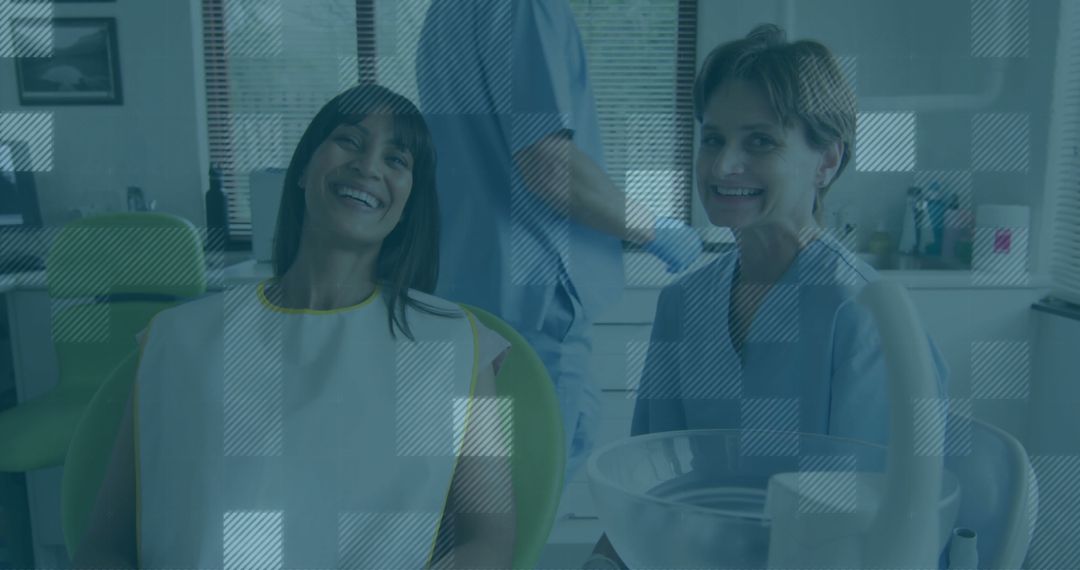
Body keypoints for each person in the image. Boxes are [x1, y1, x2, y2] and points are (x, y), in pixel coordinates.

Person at [73, 84, 515, 569]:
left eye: (397, 160)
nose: (367, 167)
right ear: (304, 168)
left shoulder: (456, 343)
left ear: (409, 205)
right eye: (349, 140)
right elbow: (104, 545)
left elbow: (490, 540)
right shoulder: (177, 338)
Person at [583, 24, 949, 568]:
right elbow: (647, 486)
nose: (724, 165)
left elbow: (875, 531)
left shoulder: (862, 314)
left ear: (826, 160)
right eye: (713, 139)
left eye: (760, 141)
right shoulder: (683, 304)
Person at [416, 0, 702, 481]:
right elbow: (549, 165)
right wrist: (653, 228)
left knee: (483, 495)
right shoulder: (525, 7)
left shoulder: (444, 11)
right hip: (536, 306)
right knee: (526, 503)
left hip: (471, 299)